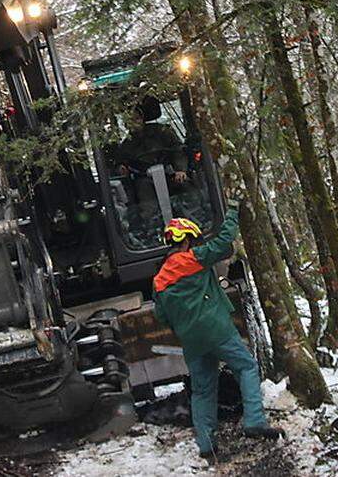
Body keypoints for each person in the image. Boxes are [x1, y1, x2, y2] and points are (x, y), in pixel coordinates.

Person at [152, 205, 283, 464]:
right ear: (187, 239)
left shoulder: (158, 280)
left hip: (192, 341)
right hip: (217, 330)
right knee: (246, 366)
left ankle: (206, 444)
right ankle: (254, 421)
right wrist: (233, 211)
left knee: (202, 391)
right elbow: (224, 242)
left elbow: (162, 316)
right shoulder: (194, 258)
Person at [113, 96, 188, 185]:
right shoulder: (126, 146)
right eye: (130, 121)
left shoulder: (163, 131)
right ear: (126, 124)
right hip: (145, 180)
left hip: (172, 173)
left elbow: (178, 150)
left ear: (142, 119)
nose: (135, 124)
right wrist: (122, 168)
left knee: (188, 187)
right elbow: (121, 163)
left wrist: (180, 169)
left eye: (137, 118)